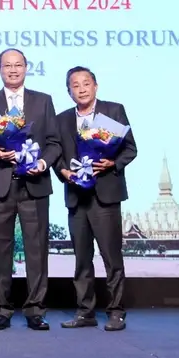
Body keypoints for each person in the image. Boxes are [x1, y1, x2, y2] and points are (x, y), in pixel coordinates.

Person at [0, 48, 61, 331]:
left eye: (18, 65)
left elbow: (54, 142)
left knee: (37, 250)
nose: (13, 70)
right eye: (7, 65)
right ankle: (1, 310)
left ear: (26, 68)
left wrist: (43, 163)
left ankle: (35, 310)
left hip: (35, 184)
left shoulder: (43, 101)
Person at [55, 66, 137, 332]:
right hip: (76, 197)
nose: (81, 89)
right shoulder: (61, 119)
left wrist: (112, 163)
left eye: (86, 83)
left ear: (95, 86)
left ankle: (116, 312)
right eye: (75, 85)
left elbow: (130, 149)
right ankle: (85, 312)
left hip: (105, 196)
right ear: (69, 91)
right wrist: (63, 171)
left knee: (111, 258)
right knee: (82, 259)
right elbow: (56, 155)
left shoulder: (113, 111)